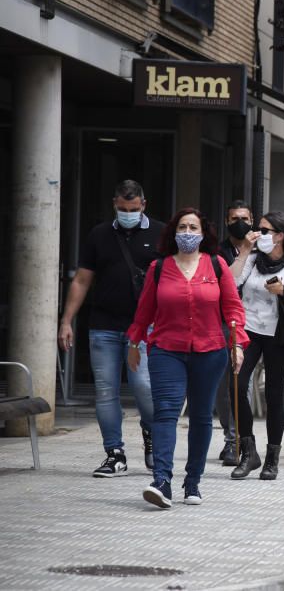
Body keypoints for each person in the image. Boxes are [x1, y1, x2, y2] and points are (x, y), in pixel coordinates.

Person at [126, 208, 249, 508]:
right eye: (182, 227)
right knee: (166, 412)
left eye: (194, 227)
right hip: (167, 349)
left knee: (201, 417)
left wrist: (238, 344)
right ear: (173, 232)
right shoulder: (159, 267)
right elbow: (145, 309)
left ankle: (192, 481)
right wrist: (134, 342)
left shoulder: (217, 265)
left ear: (203, 233)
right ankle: (162, 481)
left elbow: (233, 309)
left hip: (210, 351)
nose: (188, 233)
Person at [58, 180, 163, 477]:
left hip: (143, 327)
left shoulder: (159, 233)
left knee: (144, 387)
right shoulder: (100, 234)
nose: (127, 213)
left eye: (133, 208)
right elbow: (81, 279)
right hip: (103, 325)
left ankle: (151, 434)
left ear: (143, 204)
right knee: (105, 391)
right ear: (114, 204)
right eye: (122, 208)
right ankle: (114, 453)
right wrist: (66, 320)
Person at [230, 211, 284, 480]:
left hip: (279, 335)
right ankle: (248, 451)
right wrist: (244, 251)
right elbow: (230, 283)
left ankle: (272, 458)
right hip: (249, 331)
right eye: (259, 230)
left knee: (274, 395)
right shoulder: (253, 260)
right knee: (237, 384)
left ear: (280, 236)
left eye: (265, 231)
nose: (260, 235)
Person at [214, 200, 256, 466]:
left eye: (244, 218)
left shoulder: (262, 250)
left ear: (252, 220)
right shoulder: (217, 252)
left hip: (252, 324)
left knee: (242, 384)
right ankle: (231, 439)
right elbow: (225, 282)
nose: (239, 222)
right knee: (222, 386)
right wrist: (243, 254)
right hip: (221, 323)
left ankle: (241, 440)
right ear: (227, 222)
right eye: (234, 218)